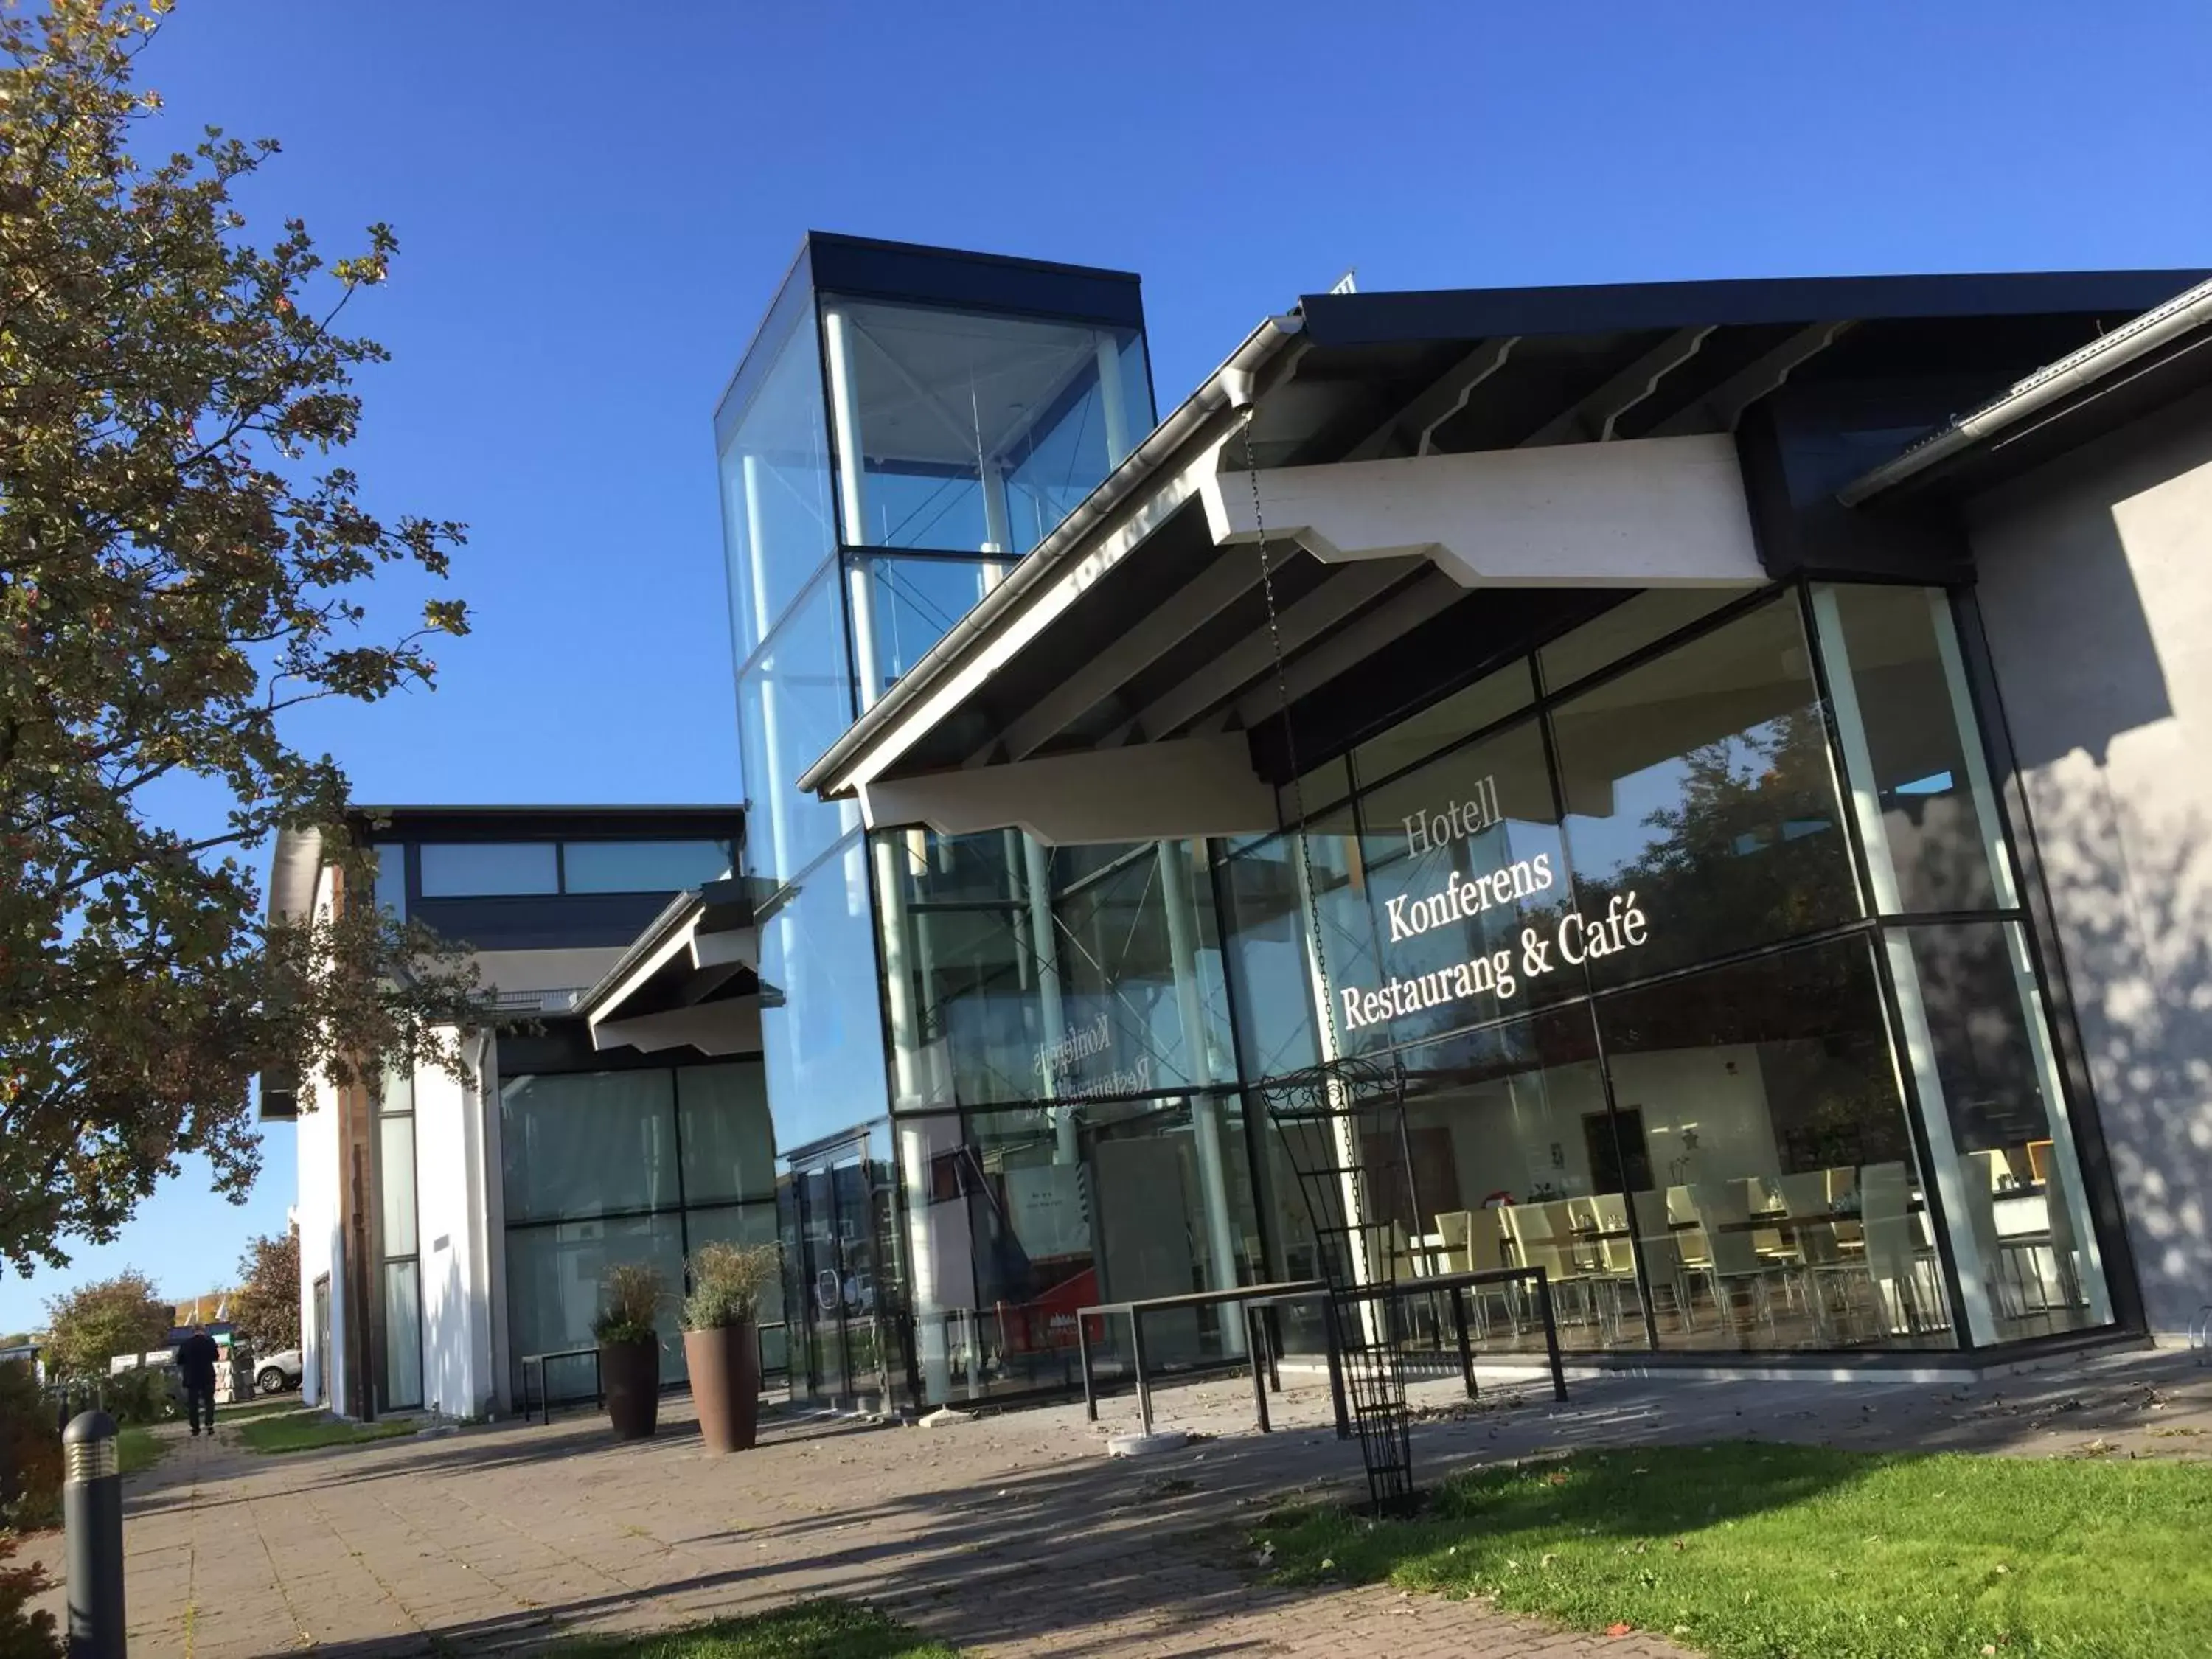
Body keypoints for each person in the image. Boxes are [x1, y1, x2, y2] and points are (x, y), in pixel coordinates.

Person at [175, 1322, 221, 1438]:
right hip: (207, 1375)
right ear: (203, 1329)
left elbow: (180, 1360)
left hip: (192, 1376)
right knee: (209, 1401)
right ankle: (209, 1424)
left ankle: (195, 1428)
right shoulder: (210, 1341)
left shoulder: (186, 1344)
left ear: (193, 1330)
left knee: (193, 1404)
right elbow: (216, 1357)